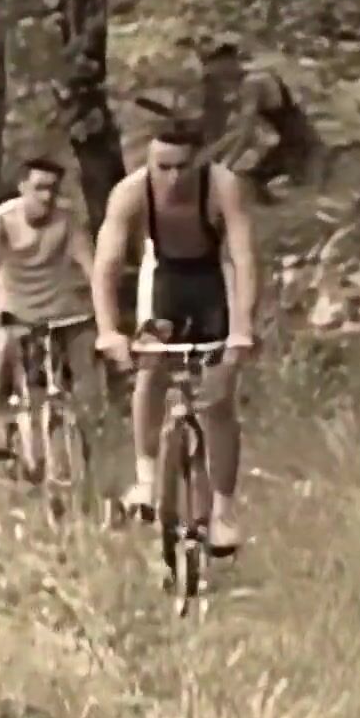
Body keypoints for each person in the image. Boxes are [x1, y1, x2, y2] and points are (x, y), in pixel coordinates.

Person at [91, 118, 260, 553]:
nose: (172, 177)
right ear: (148, 163)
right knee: (151, 369)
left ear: (199, 161)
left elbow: (243, 258)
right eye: (162, 167)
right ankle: (147, 478)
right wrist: (108, 331)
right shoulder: (131, 193)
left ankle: (223, 513)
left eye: (182, 166)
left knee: (218, 401)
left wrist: (242, 329)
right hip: (164, 279)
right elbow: (107, 264)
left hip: (212, 279)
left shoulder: (223, 186)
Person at [0, 157, 98, 460]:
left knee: (87, 362)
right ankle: (3, 423)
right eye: (39, 188)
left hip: (62, 306)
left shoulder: (67, 219)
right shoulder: (2, 219)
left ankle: (85, 430)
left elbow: (91, 266)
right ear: (22, 187)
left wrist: (102, 304)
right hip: (15, 305)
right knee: (4, 353)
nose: (47, 196)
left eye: (53, 189)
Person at [198, 38, 324, 203]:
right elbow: (239, 131)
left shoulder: (253, 82)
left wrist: (226, 165)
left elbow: (246, 130)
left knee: (245, 181)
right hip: (293, 144)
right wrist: (211, 154)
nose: (210, 71)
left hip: (296, 148)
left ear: (228, 62)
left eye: (211, 63)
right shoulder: (249, 81)